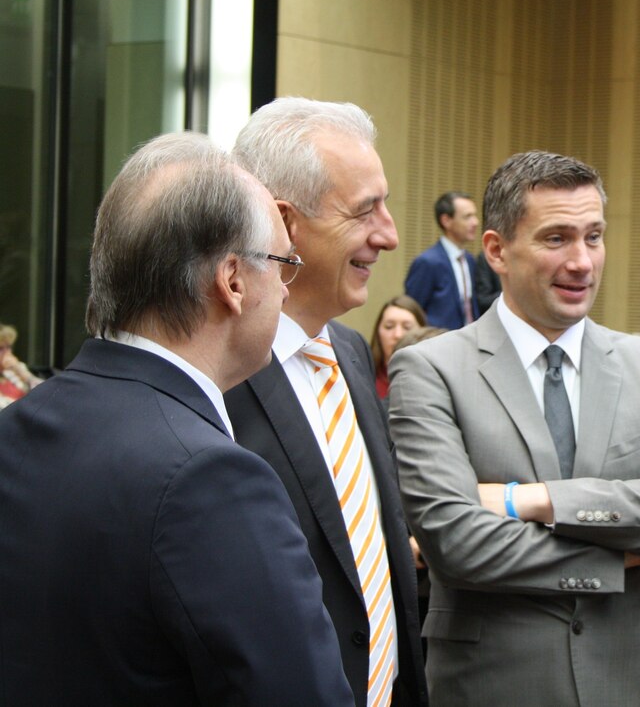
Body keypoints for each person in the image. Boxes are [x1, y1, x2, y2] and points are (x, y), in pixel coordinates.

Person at [0, 132, 354, 704]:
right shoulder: (212, 480)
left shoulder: (17, 428)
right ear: (233, 281)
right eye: (283, 264)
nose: (286, 293)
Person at [388, 150, 640, 706]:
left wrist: (536, 500)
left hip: (634, 686)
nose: (582, 262)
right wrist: (623, 555)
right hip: (493, 688)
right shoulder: (431, 369)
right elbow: (454, 543)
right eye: (557, 239)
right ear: (497, 249)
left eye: (593, 237)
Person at [225, 98, 427, 707]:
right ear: (285, 224)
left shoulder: (349, 351)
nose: (389, 235)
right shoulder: (217, 377)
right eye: (366, 210)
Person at [405, 190, 481, 328]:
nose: (475, 222)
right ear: (446, 220)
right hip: (437, 342)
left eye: (474, 215)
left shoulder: (469, 260)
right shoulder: (427, 262)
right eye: (467, 217)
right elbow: (412, 311)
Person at [370, 294, 426, 398]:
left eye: (407, 327)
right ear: (378, 333)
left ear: (423, 332)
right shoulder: (365, 377)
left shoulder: (432, 379)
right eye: (389, 326)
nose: (397, 335)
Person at [0, 323, 42, 408]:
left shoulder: (17, 369)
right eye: (0, 348)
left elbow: (48, 394)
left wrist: (24, 374)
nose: (7, 353)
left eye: (8, 347)